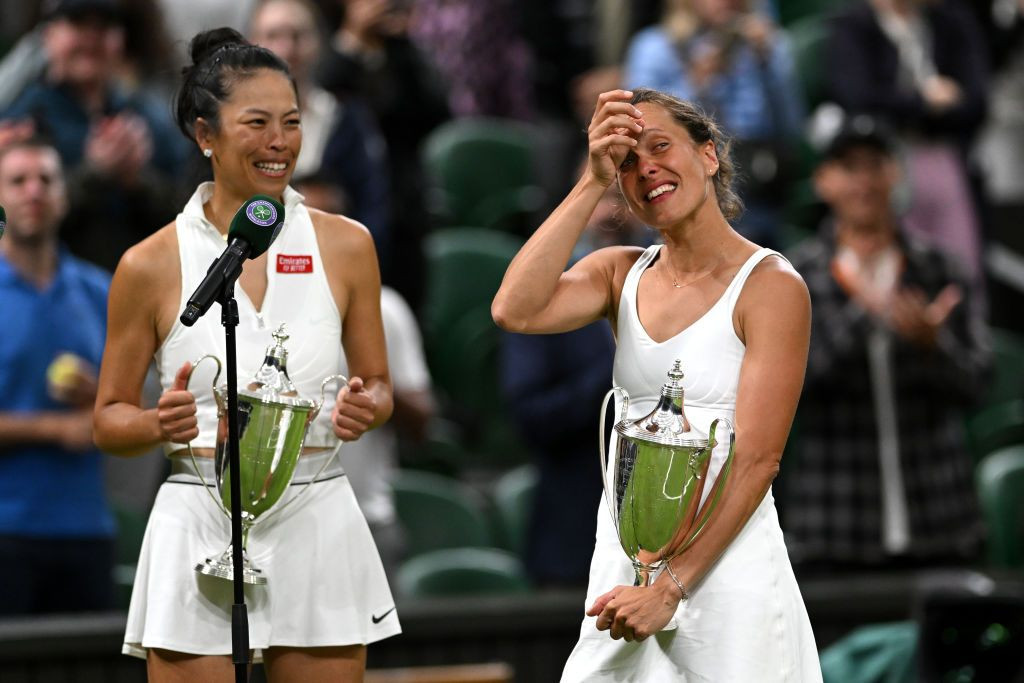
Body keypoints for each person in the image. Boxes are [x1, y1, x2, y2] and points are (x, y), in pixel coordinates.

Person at [91, 27, 399, 680]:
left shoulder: (348, 245)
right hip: (198, 515)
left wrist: (362, 408)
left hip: (316, 511)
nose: (280, 141)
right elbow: (107, 418)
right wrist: (155, 424)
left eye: (290, 122)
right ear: (206, 135)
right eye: (256, 122)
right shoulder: (147, 264)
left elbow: (379, 385)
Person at [492, 88, 820, 680]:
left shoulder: (772, 285)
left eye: (660, 147)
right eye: (626, 163)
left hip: (728, 573)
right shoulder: (618, 271)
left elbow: (757, 462)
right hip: (625, 562)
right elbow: (514, 309)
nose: (645, 170)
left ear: (709, 154)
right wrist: (591, 180)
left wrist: (670, 588)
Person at [783, 115, 990, 570]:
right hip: (835, 527)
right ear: (823, 181)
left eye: (875, 165)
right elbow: (792, 389)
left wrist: (933, 346)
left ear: (895, 174)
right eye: (848, 167)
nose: (864, 181)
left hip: (941, 520)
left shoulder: (939, 268)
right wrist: (864, 313)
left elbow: (979, 384)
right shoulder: (795, 277)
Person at [0, 136, 115, 615]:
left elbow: (133, 404)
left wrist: (101, 396)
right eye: (18, 180)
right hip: (6, 530)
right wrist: (56, 428)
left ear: (64, 196)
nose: (33, 191)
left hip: (86, 529)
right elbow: (72, 428)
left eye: (46, 179)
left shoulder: (99, 291)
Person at [0, 0, 185, 273]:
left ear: (120, 40)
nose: (90, 38)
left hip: (144, 286)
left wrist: (137, 181)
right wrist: (95, 173)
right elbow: (13, 222)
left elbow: (188, 214)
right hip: (50, 288)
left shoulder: (149, 117)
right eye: (77, 24)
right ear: (49, 35)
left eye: (103, 27)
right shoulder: (21, 122)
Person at [622, 0, 805, 248]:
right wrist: (697, 81)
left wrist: (768, 63)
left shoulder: (766, 45)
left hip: (754, 187)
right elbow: (639, 125)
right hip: (677, 178)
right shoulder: (654, 47)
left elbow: (792, 126)